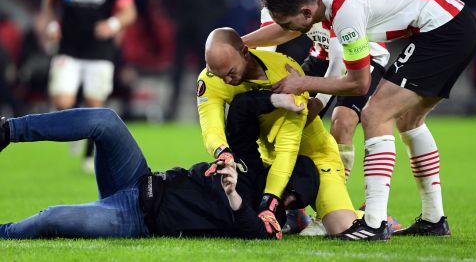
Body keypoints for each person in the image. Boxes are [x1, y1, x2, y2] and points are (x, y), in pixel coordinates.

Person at [262, 0, 476, 239]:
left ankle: (374, 224)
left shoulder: (344, 10)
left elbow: (359, 84)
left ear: (306, 13)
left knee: (375, 115)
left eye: (287, 24)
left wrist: (302, 84)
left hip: (443, 30)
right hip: (451, 24)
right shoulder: (332, 5)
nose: (285, 30)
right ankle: (434, 220)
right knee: (410, 121)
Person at [0, 103, 319, 239]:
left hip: (137, 218)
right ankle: (8, 131)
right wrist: (277, 97)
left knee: (50, 217)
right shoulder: (251, 162)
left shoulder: (264, 213)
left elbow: (256, 233)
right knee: (106, 120)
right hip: (141, 178)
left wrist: (234, 195)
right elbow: (242, 110)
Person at [197, 27, 362, 237]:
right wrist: (222, 152)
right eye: (219, 75)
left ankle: (369, 217)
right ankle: (296, 215)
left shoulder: (285, 72)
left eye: (230, 73)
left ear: (245, 52)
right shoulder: (211, 79)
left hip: (314, 157)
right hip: (268, 164)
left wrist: (269, 202)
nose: (226, 81)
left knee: (343, 229)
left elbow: (288, 149)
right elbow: (211, 128)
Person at [243, 8, 390, 236]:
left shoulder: (325, 0)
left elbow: (340, 59)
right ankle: (294, 207)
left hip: (362, 57)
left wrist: (319, 102)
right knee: (283, 122)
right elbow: (266, 49)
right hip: (321, 56)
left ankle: (332, 213)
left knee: (343, 121)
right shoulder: (274, 4)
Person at [39, 0, 137, 171]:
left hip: (99, 50)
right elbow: (49, 2)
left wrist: (112, 24)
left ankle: (88, 156)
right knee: (62, 101)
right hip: (68, 47)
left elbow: (129, 12)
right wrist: (51, 24)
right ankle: (78, 129)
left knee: (95, 105)